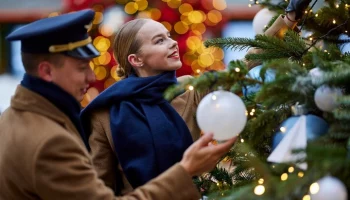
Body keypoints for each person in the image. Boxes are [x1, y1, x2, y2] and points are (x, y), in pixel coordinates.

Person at [0, 9, 237, 200]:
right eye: (82, 68)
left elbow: (230, 79)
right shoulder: (54, 138)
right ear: (46, 71)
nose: (92, 78)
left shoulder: (14, 117)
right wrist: (185, 173)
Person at [80, 0, 312, 195]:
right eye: (159, 41)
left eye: (168, 36)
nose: (172, 43)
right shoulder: (104, 112)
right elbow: (101, 189)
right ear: (135, 60)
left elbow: (244, 65)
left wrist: (289, 18)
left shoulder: (189, 89)